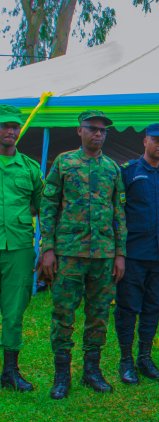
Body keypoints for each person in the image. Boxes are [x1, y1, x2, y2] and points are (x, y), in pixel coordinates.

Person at [41, 110, 127, 399]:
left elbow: (119, 213)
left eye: (103, 130)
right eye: (92, 128)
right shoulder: (64, 163)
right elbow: (49, 206)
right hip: (69, 253)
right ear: (80, 130)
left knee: (99, 314)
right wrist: (48, 248)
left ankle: (92, 371)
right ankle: (61, 375)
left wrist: (120, 254)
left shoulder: (112, 168)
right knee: (63, 314)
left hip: (103, 255)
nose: (98, 134)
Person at [115, 123, 159, 384]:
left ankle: (144, 357)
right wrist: (118, 252)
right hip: (133, 253)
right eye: (156, 140)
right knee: (127, 308)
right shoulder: (129, 172)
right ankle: (126, 360)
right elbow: (117, 213)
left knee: (153, 307)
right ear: (145, 141)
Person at [0, 105, 43, 392]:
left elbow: (43, 208)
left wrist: (48, 246)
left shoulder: (30, 168)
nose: (10, 131)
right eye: (4, 126)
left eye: (14, 126)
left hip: (18, 248)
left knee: (14, 312)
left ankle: (10, 371)